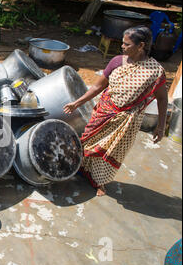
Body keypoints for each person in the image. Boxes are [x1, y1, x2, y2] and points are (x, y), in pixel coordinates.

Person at [63, 26, 168, 197]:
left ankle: (100, 181)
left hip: (127, 121)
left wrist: (160, 127)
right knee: (88, 142)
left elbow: (163, 99)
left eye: (126, 44)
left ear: (141, 45)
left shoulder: (155, 72)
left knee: (109, 151)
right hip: (104, 112)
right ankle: (79, 169)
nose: (122, 47)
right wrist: (77, 102)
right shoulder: (117, 61)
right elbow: (98, 86)